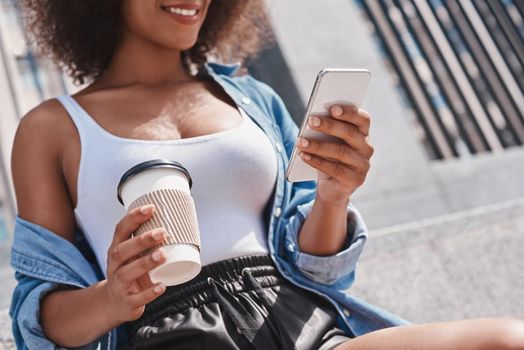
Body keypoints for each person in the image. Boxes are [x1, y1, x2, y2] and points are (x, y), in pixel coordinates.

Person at [9, 0, 524, 349]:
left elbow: (319, 269)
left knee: (506, 339)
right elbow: (39, 314)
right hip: (166, 330)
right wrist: (112, 297)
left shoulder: (252, 98)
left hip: (299, 317)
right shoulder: (52, 127)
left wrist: (333, 196)